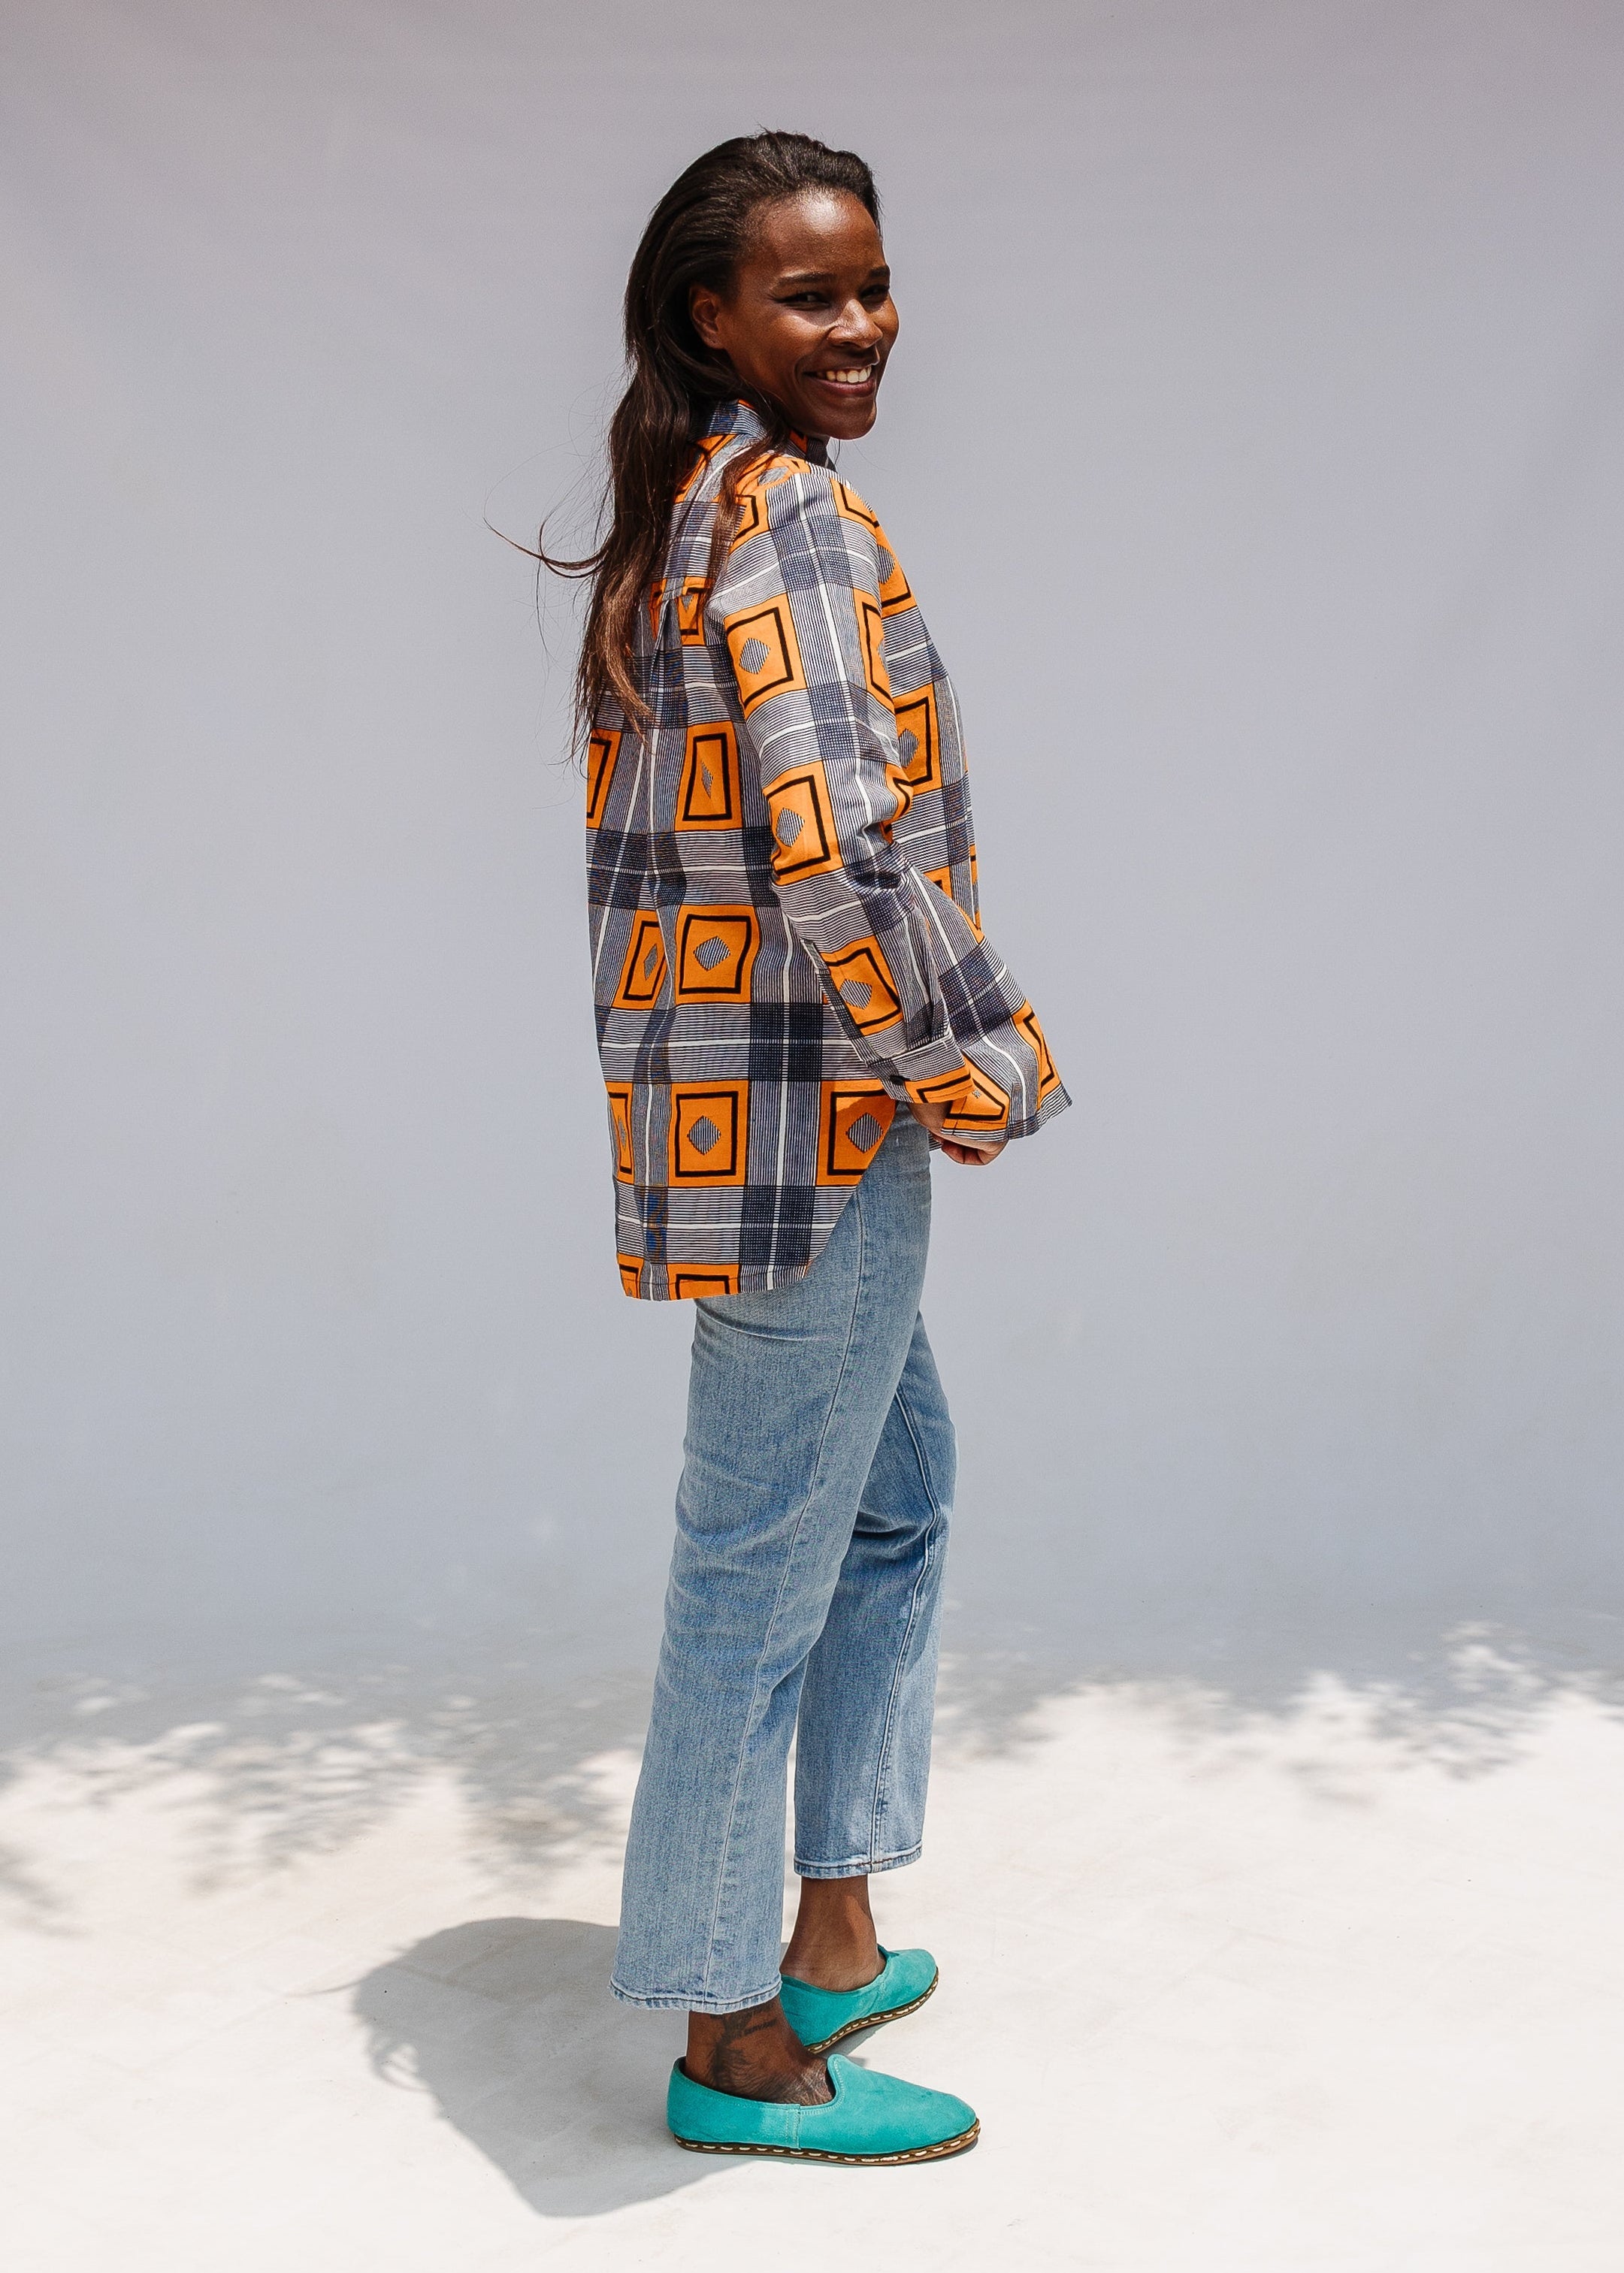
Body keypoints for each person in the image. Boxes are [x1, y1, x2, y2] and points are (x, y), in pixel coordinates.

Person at [552, 130, 1069, 2165]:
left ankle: (835, 1918)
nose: (857, 329)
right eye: (807, 296)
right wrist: (979, 1064)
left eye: (867, 287)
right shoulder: (789, 525)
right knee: (754, 1573)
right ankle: (734, 2033)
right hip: (819, 1123)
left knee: (893, 1495)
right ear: (712, 316)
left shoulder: (688, 513)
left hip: (733, 1116)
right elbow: (836, 846)